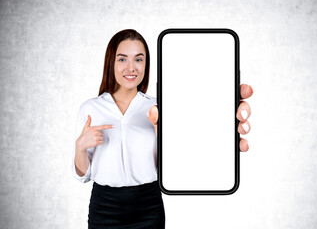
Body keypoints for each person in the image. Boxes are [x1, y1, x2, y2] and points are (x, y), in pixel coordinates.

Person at [72, 29, 253, 229]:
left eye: (139, 60)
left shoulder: (160, 108)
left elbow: (178, 163)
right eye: (122, 60)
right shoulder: (91, 109)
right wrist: (80, 147)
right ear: (111, 63)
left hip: (148, 205)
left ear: (146, 64)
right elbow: (83, 175)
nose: (131, 68)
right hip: (104, 207)